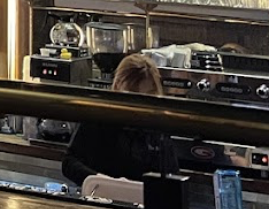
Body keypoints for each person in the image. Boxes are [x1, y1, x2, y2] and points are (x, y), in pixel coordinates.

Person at [62, 53, 180, 186]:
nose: (139, 104)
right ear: (118, 86)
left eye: (148, 95)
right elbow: (69, 163)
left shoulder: (156, 126)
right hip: (101, 195)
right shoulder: (100, 116)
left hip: (143, 197)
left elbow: (172, 175)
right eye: (133, 94)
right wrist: (101, 181)